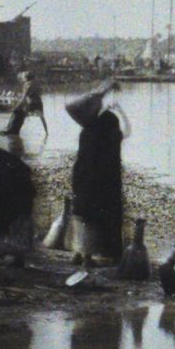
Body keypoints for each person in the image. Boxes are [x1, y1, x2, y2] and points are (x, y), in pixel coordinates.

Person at [67, 82, 129, 264]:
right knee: (99, 212)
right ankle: (91, 255)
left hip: (82, 174)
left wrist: (102, 93)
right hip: (103, 178)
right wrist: (121, 111)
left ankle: (79, 252)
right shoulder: (109, 126)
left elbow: (76, 105)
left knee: (82, 210)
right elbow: (127, 132)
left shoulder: (86, 130)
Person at [6, 70, 48, 139]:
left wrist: (16, 106)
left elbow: (23, 98)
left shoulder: (26, 85)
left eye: (23, 78)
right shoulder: (37, 84)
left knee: (18, 113)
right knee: (42, 117)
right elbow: (41, 92)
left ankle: (12, 130)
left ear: (25, 78)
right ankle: (47, 133)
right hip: (39, 102)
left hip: (31, 103)